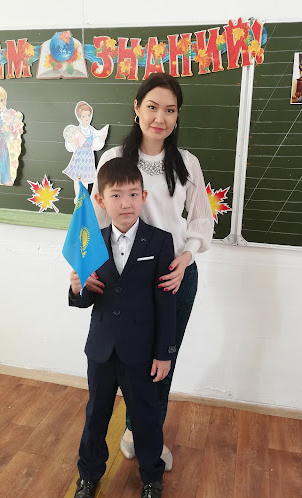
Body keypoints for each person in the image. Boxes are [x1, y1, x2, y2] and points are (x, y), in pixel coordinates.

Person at [89, 72, 214, 467]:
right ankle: (137, 429)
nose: (160, 118)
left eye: (170, 110)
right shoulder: (114, 158)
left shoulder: (187, 163)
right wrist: (86, 268)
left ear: (177, 116)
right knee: (127, 360)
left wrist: (186, 257)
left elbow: (201, 220)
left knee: (162, 361)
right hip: (127, 279)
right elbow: (95, 219)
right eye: (152, 107)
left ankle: (146, 433)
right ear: (137, 109)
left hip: (173, 276)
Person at [69, 157, 176, 498]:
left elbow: (165, 303)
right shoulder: (92, 242)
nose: (126, 203)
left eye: (132, 194)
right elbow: (87, 298)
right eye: (116, 195)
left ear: (143, 197)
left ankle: (151, 478)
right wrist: (77, 288)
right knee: (95, 416)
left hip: (141, 351)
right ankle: (88, 475)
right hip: (101, 349)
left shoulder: (159, 242)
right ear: (101, 200)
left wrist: (164, 353)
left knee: (145, 417)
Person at [62, 101, 109, 201]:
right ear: (79, 117)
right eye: (84, 116)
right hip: (79, 157)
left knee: (85, 179)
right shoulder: (76, 130)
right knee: (77, 178)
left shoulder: (91, 130)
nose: (87, 118)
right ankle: (77, 196)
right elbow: (71, 145)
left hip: (88, 157)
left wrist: (101, 139)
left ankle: (83, 197)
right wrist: (72, 142)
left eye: (88, 115)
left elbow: (96, 144)